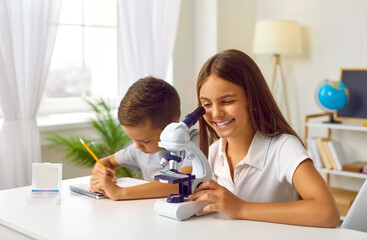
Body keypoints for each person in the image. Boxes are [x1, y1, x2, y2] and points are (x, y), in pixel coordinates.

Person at [188, 49, 340, 227]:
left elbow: (327, 212)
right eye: (207, 104)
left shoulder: (284, 148)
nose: (216, 113)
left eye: (227, 101)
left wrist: (241, 208)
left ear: (251, 99)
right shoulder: (213, 153)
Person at [90, 77, 198, 200]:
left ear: (171, 126)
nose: (137, 146)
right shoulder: (140, 149)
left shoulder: (193, 142)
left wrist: (120, 192)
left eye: (145, 141)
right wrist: (100, 173)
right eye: (133, 139)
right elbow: (107, 162)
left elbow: (180, 184)